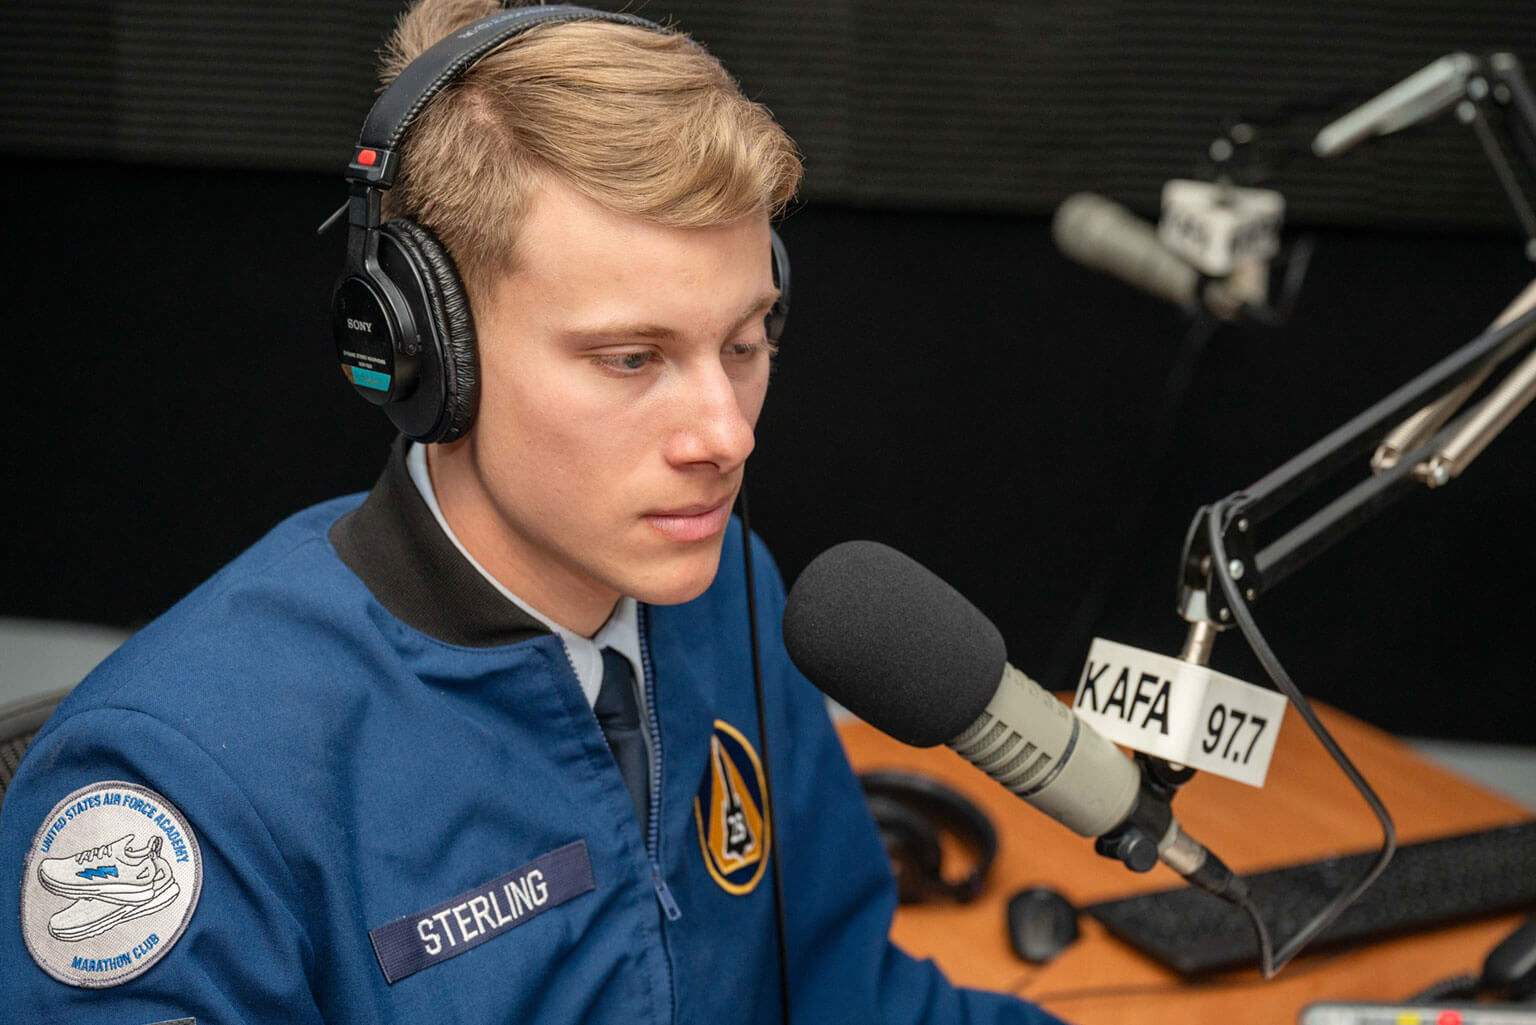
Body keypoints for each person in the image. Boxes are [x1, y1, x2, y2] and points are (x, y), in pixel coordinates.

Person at [0, 2, 1065, 1022]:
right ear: (426, 354)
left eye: (745, 343)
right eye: (633, 357)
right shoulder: (182, 783)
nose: (727, 435)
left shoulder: (732, 587)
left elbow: (846, 995)